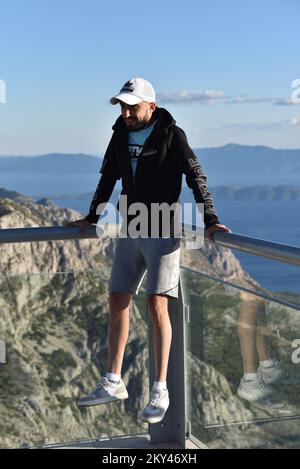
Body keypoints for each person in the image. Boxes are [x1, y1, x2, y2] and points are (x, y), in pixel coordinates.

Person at [67, 77, 231, 424]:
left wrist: (211, 219)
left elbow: (196, 176)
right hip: (131, 227)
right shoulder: (120, 135)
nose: (126, 113)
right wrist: (92, 216)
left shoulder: (172, 135)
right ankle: (113, 381)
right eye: (123, 107)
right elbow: (107, 179)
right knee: (117, 298)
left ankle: (160, 389)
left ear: (151, 107)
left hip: (164, 229)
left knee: (157, 303)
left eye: (133, 107)